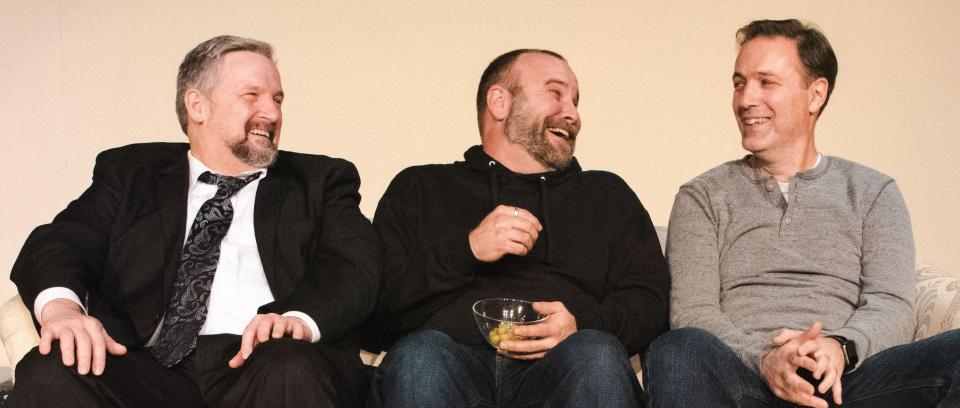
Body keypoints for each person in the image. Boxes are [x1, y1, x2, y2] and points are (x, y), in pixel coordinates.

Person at [10, 35, 379, 408]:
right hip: (146, 366)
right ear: (197, 106)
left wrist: (296, 319)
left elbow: (354, 265)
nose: (272, 113)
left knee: (290, 366)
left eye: (278, 99)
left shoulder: (320, 181)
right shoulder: (131, 174)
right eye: (252, 96)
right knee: (51, 368)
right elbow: (59, 242)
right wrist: (62, 310)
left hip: (263, 360)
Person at [644, 19, 960, 408]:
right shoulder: (702, 196)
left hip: (851, 382)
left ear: (815, 94)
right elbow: (694, 312)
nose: (745, 100)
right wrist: (768, 357)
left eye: (766, 82)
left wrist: (839, 347)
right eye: (739, 83)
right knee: (677, 348)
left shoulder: (873, 191)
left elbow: (891, 303)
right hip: (743, 380)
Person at [363, 49, 670, 408]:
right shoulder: (419, 188)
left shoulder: (606, 195)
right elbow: (373, 312)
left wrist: (580, 324)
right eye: (555, 93)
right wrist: (467, 250)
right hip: (446, 366)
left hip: (565, 368)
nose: (572, 114)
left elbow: (651, 302)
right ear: (499, 102)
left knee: (594, 351)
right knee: (421, 355)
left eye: (575, 100)